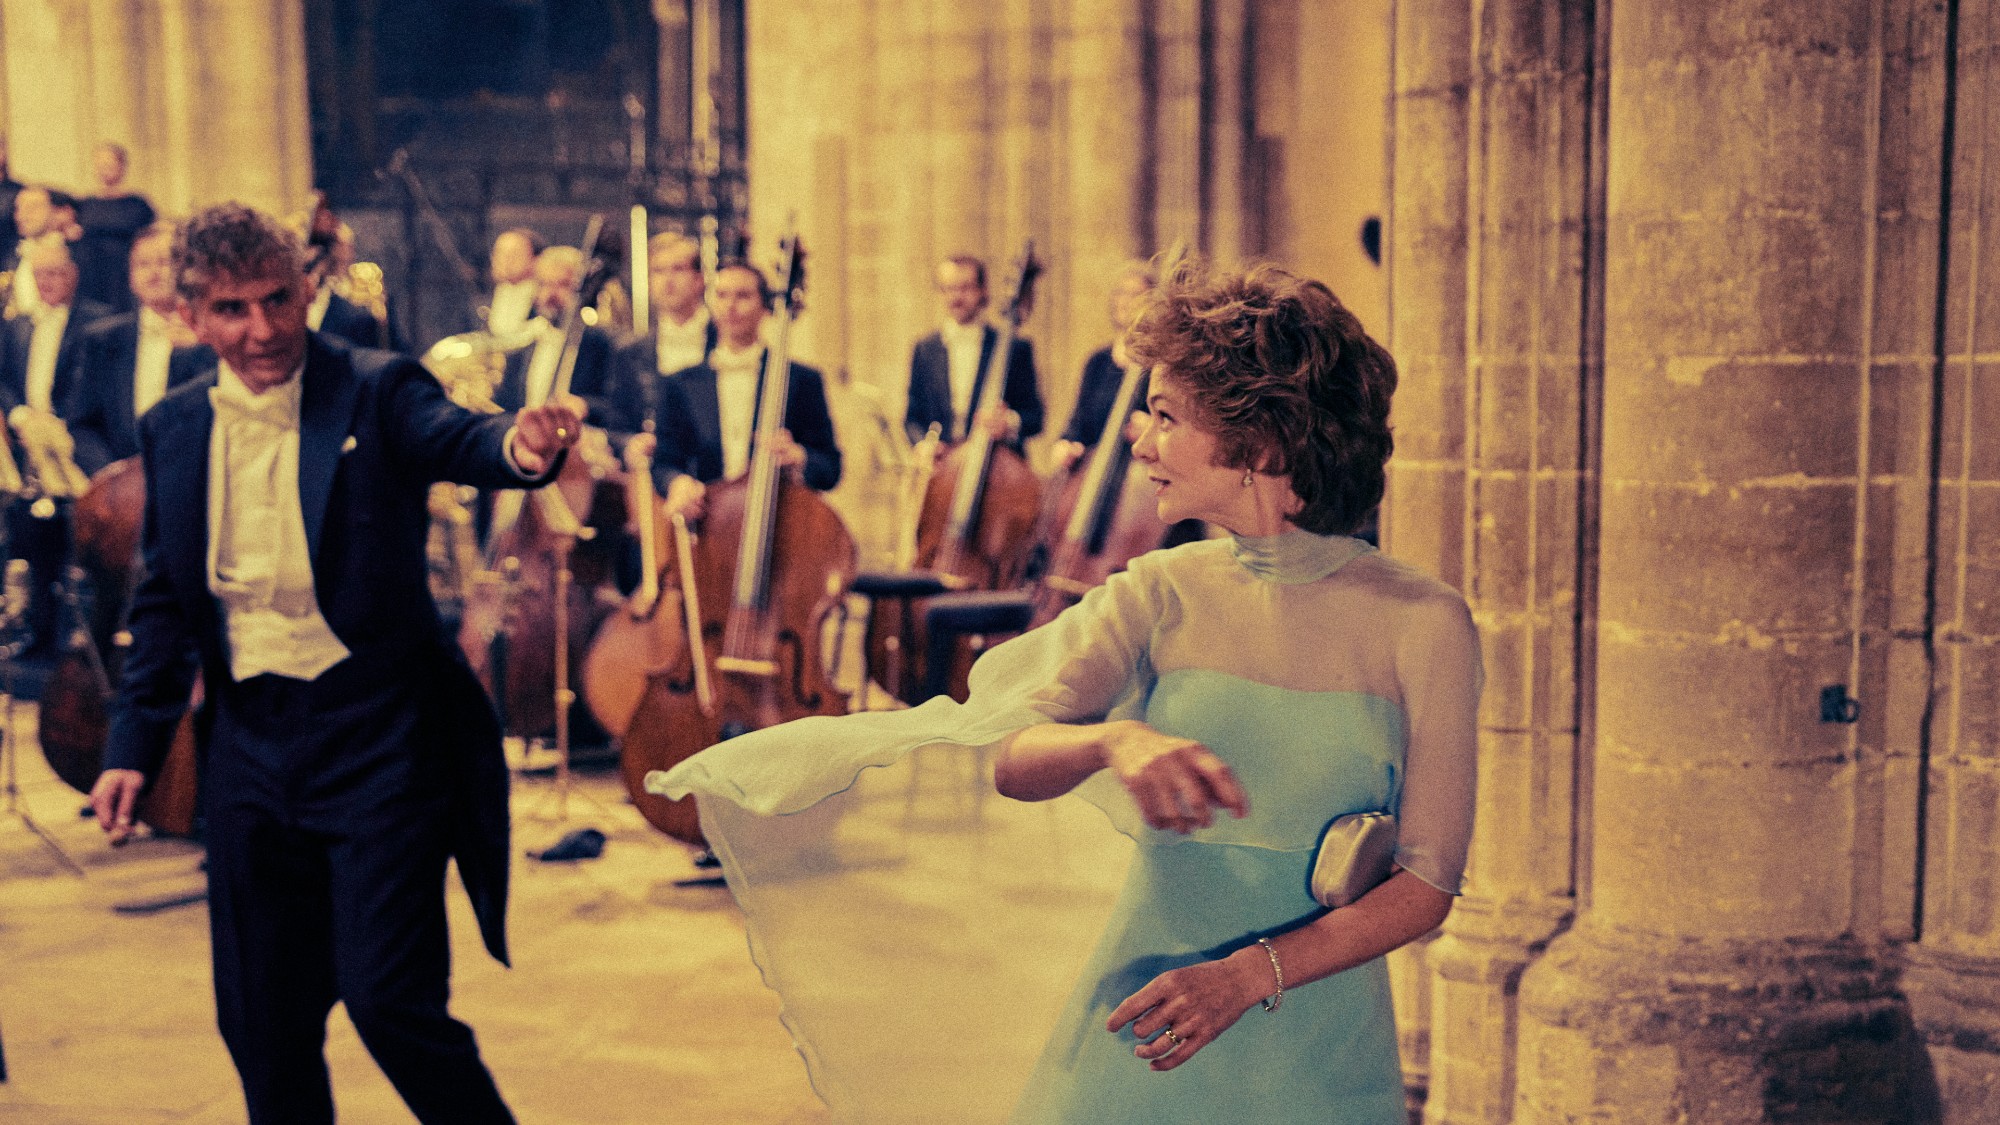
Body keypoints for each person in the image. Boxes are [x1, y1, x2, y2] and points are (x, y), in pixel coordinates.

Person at [650, 257, 1479, 1122]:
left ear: (1258, 443)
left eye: (1164, 417)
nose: (1136, 439)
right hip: (1143, 1027)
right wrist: (1112, 740)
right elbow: (1013, 757)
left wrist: (1245, 975)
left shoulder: (1425, 623)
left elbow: (1427, 885)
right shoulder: (1158, 590)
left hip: (1319, 1053)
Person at [87, 202, 582, 1125]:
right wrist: (131, 745)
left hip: (378, 737)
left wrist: (522, 446)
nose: (265, 328)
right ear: (191, 315)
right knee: (263, 1022)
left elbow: (460, 438)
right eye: (234, 309)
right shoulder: (175, 426)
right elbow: (163, 602)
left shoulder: (376, 387)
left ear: (308, 287)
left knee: (391, 1001)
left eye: (280, 299)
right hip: (248, 747)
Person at [639, 258, 840, 521]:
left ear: (765, 307)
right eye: (721, 296)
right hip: (708, 524)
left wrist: (800, 457)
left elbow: (831, 469)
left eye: (743, 296)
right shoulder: (680, 383)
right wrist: (677, 483)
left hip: (780, 523)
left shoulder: (800, 380)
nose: (730, 306)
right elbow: (664, 462)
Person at [67, 221, 213, 476]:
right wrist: (111, 473)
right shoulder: (103, 339)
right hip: (119, 484)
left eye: (164, 262)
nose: (153, 273)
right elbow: (82, 423)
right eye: (142, 264)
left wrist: (202, 348)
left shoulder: (212, 338)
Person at [904, 254, 1042, 449]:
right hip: (944, 465)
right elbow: (912, 417)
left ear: (982, 291)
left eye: (965, 288)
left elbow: (1035, 417)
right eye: (948, 289)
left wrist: (1009, 422)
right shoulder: (925, 349)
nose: (956, 297)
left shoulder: (1014, 347)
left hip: (996, 460)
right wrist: (924, 443)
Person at [495, 244, 619, 431]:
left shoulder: (602, 343)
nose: (551, 294)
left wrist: (585, 406)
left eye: (563, 285)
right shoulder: (525, 342)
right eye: (544, 284)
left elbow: (621, 411)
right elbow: (505, 406)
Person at [1052, 261, 1156, 471]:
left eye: (1136, 294)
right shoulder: (1097, 362)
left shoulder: (1159, 363)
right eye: (1121, 293)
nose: (1126, 302)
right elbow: (1079, 422)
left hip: (1141, 475)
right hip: (1095, 471)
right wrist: (1066, 444)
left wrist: (1151, 427)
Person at [610, 233, 716, 428]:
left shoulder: (722, 342)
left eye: (678, 269)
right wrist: (630, 444)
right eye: (658, 271)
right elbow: (619, 421)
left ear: (699, 279)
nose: (668, 280)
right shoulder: (630, 351)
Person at [74, 142, 158, 312]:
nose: (105, 170)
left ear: (122, 166)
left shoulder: (137, 204)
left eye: (109, 165)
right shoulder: (85, 204)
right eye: (101, 165)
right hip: (94, 274)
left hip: (126, 272)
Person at [484, 227, 542, 339]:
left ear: (535, 259)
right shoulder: (485, 299)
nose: (505, 260)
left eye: (514, 254)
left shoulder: (544, 301)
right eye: (499, 253)